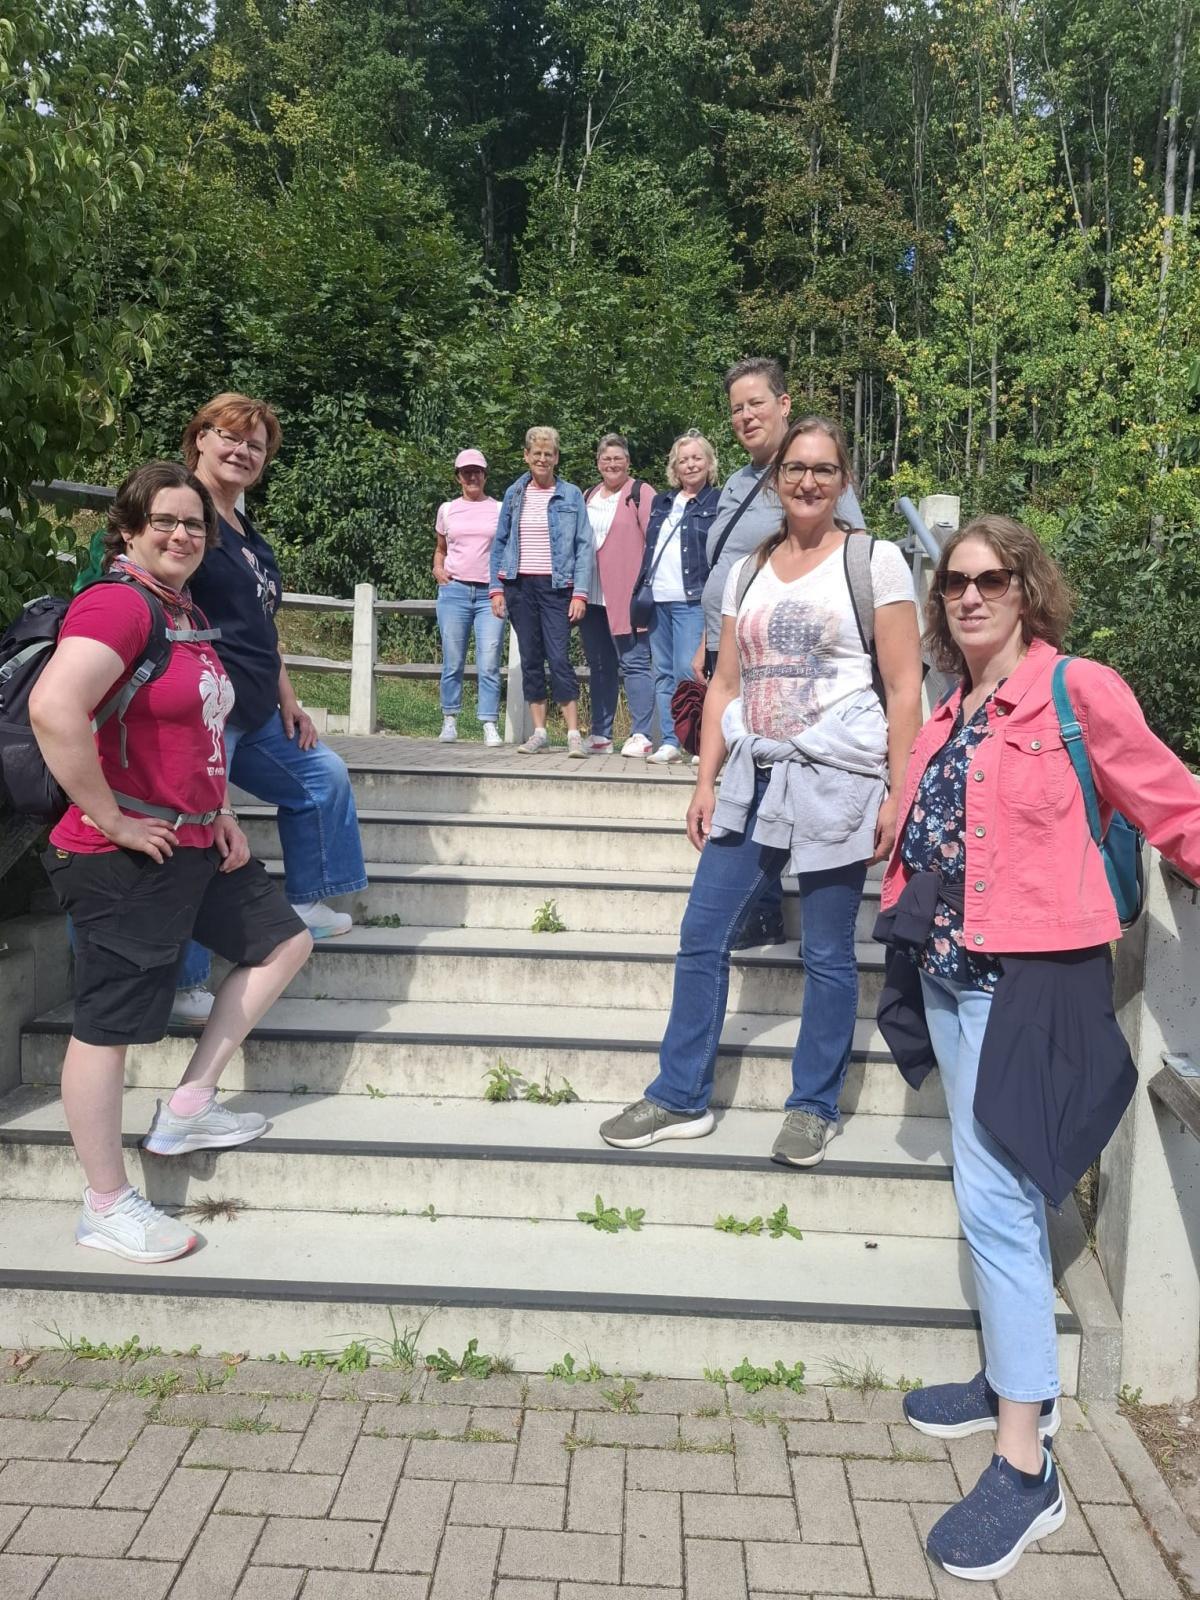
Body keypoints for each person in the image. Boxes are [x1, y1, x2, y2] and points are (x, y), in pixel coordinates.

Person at [875, 515, 1200, 1581]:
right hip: (950, 977)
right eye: (955, 582)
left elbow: (1171, 802)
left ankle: (1029, 1465)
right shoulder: (951, 709)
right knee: (989, 1185)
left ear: (1027, 589)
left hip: (1032, 982)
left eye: (991, 579)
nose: (970, 596)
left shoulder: (1077, 690)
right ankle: (1007, 1376)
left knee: (1005, 1199)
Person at [599, 416, 922, 1165]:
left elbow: (906, 689)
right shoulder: (749, 569)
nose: (807, 481)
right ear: (776, 481)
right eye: (794, 469)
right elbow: (723, 685)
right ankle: (680, 1095)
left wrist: (895, 794)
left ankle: (812, 1106)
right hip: (751, 773)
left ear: (844, 480)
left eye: (823, 469)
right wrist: (704, 779)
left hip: (837, 775)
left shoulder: (874, 563)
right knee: (702, 934)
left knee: (830, 953)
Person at [29, 461, 313, 1263]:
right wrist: (110, 816)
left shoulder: (174, 605)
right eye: (166, 522)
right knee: (108, 1028)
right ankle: (106, 1203)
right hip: (125, 856)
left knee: (284, 940)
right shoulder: (120, 604)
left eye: (195, 525)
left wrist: (220, 809)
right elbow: (56, 708)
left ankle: (188, 1103)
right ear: (128, 528)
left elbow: (192, 728)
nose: (183, 535)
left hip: (194, 837)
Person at [166, 392, 368, 1025]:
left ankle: (306, 900)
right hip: (201, 709)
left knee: (321, 775)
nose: (243, 451)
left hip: (254, 708)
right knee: (201, 833)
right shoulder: (183, 512)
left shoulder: (247, 531)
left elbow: (262, 627)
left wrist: (291, 700)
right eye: (230, 436)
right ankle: (183, 981)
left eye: (256, 445)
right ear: (199, 436)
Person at [699, 357, 865, 945]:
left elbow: (852, 557)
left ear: (784, 405)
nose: (746, 416)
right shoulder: (741, 482)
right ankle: (759, 905)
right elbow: (726, 566)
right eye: (737, 408)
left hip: (794, 661)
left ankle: (782, 896)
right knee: (739, 767)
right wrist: (708, 636)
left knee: (777, 771)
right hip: (730, 648)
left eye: (756, 404)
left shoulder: (811, 476)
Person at [489, 426, 591, 756]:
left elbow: (584, 544)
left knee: (560, 658)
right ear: (527, 456)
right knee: (531, 659)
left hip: (557, 587)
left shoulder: (571, 495)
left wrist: (580, 593)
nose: (543, 459)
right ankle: (539, 732)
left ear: (557, 457)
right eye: (537, 453)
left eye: (549, 454)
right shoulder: (514, 493)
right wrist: (496, 588)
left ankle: (574, 733)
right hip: (519, 586)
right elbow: (500, 542)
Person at [634, 432, 720, 763]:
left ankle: (699, 743)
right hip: (659, 600)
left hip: (693, 599)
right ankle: (670, 739)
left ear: (709, 463)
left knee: (691, 671)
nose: (690, 464)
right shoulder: (661, 502)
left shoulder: (717, 501)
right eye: (683, 460)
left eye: (697, 458)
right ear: (675, 467)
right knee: (663, 674)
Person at [579, 434, 656, 756]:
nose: (612, 464)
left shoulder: (640, 493)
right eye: (606, 458)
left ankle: (641, 734)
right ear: (598, 463)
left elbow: (654, 543)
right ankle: (601, 734)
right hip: (591, 596)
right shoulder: (588, 495)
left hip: (626, 595)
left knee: (635, 663)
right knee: (599, 665)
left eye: (618, 458)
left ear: (628, 461)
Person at [433, 447, 504, 748]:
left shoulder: (500, 509)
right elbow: (441, 549)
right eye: (466, 472)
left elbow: (507, 552)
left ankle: (488, 722)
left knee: (489, 660)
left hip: (490, 593)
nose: (472, 476)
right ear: (458, 477)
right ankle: (450, 719)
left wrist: (503, 587)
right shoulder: (447, 510)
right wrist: (437, 569)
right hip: (455, 591)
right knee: (453, 659)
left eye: (477, 471)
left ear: (485, 475)